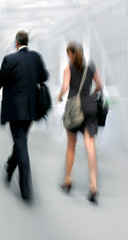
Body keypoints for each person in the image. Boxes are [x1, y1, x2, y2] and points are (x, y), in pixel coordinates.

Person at [0, 30, 49, 202]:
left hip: (14, 110)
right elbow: (44, 76)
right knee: (21, 141)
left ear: (16, 43)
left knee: (21, 143)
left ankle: (26, 190)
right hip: (30, 110)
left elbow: (0, 78)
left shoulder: (10, 60)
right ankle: (9, 167)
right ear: (27, 42)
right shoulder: (36, 58)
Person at [57, 41, 103, 203]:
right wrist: (90, 95)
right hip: (90, 107)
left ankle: (68, 180)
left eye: (67, 53)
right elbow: (100, 86)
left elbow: (64, 87)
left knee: (71, 145)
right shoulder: (91, 66)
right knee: (90, 147)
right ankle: (94, 187)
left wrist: (59, 96)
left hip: (74, 110)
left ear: (70, 53)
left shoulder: (68, 68)